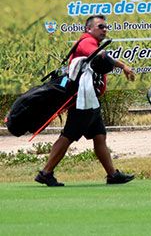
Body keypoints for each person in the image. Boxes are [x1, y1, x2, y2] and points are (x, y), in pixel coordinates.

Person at [36, 14, 137, 187]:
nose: (104, 30)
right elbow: (103, 57)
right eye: (100, 26)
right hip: (82, 101)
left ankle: (112, 174)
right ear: (89, 29)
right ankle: (46, 172)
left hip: (90, 100)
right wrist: (124, 66)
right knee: (68, 136)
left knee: (99, 136)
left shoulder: (91, 42)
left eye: (106, 27)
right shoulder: (86, 42)